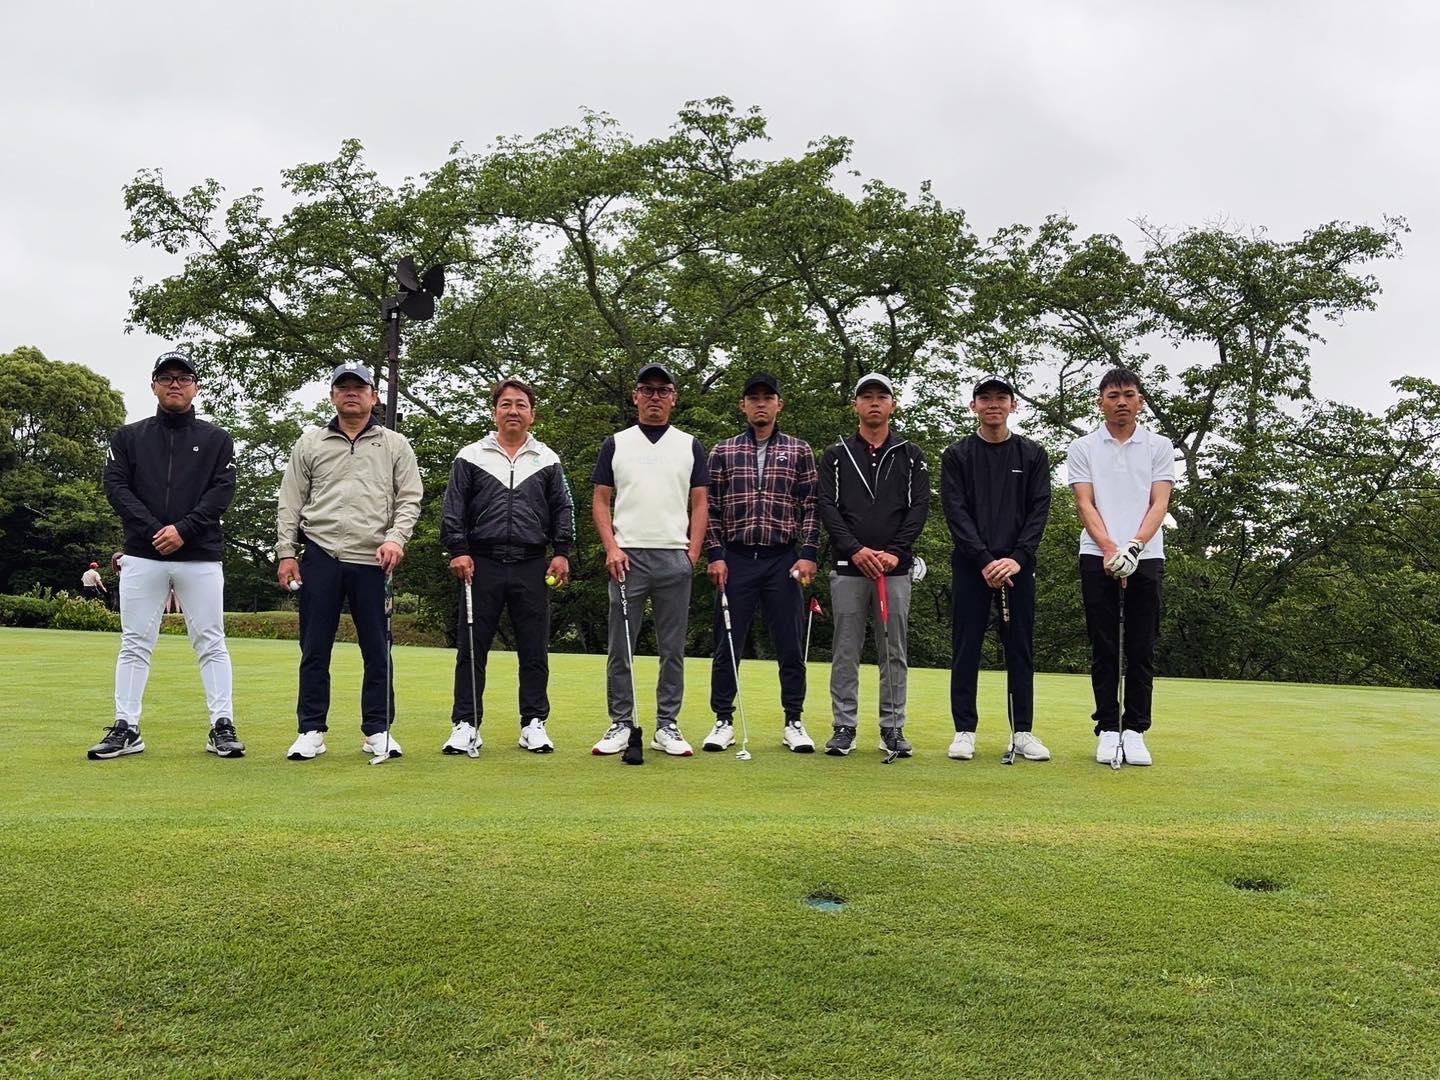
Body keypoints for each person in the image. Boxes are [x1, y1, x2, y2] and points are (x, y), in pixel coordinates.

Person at [90, 349, 241, 760]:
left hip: (200, 555)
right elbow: (116, 488)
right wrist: (156, 530)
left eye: (183, 377)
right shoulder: (128, 437)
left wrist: (183, 530)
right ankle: (126, 727)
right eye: (167, 377)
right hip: (143, 553)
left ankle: (222, 725)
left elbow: (221, 492)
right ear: (153, 385)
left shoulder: (217, 439)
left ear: (196, 386)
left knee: (211, 641)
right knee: (135, 643)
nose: (175, 383)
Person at [275, 361, 423, 762]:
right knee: (314, 648)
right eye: (343, 387)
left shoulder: (394, 444)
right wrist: (286, 552)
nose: (351, 393)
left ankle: (378, 729)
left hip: (374, 558)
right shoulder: (310, 443)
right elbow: (290, 501)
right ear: (332, 396)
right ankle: (311, 729)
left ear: (373, 396)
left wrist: (396, 538)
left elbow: (410, 498)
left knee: (377, 649)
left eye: (359, 387)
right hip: (320, 554)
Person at [439, 377, 574, 755]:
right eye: (506, 404)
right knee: (471, 648)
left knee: (534, 650)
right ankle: (466, 723)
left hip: (532, 563)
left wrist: (562, 551)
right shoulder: (471, 455)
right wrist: (458, 548)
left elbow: (563, 508)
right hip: (480, 563)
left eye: (520, 405)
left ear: (532, 414)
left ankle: (534, 723)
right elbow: (453, 508)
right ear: (495, 411)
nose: (513, 411)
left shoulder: (547, 458)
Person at [590, 363, 709, 758]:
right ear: (635, 396)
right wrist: (611, 548)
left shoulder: (690, 445)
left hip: (674, 556)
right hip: (627, 557)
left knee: (672, 648)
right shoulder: (616, 443)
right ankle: (621, 723)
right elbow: (601, 501)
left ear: (674, 398)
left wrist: (692, 553)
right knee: (620, 647)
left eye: (663, 390)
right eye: (647, 390)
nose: (655, 397)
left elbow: (700, 502)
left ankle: (667, 725)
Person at [703, 372, 820, 753]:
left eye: (767, 398)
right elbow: (710, 508)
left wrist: (808, 553)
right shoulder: (723, 451)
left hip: (782, 559)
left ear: (779, 404)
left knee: (790, 645)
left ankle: (794, 721)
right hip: (736, 558)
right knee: (727, 644)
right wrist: (715, 554)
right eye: (753, 398)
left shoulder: (799, 450)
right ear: (743, 405)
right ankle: (723, 720)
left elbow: (811, 506)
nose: (760, 404)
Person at [817, 373, 930, 757]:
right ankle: (844, 726)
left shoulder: (911, 454)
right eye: (867, 397)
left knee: (893, 650)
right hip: (849, 566)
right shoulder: (836, 454)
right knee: (845, 650)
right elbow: (828, 507)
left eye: (882, 396)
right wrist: (855, 549)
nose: (875, 402)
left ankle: (892, 728)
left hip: (894, 568)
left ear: (893, 404)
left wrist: (896, 551)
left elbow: (918, 508)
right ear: (856, 405)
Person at [1066, 367, 1175, 766]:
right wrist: (1112, 549)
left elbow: (1159, 503)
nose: (1122, 402)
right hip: (1098, 554)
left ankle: (1135, 731)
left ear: (1140, 401)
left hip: (1146, 554)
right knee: (1105, 646)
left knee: (1142, 646)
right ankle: (1109, 728)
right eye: (1113, 396)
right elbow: (1085, 503)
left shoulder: (1158, 445)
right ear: (1101, 403)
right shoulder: (1083, 447)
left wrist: (1133, 547)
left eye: (1129, 395)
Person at [940, 377, 1053, 762]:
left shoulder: (1032, 454)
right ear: (973, 406)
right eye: (985, 398)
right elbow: (955, 512)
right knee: (966, 647)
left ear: (1013, 405)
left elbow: (1039, 509)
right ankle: (964, 730)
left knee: (1019, 648)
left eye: (1001, 398)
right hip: (972, 566)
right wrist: (985, 560)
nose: (993, 404)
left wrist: (1017, 557)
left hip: (1017, 566)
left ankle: (1022, 731)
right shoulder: (957, 455)